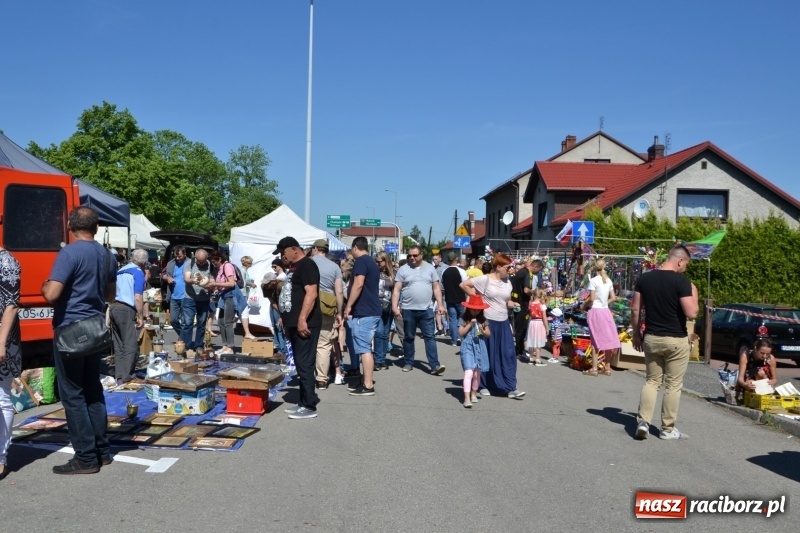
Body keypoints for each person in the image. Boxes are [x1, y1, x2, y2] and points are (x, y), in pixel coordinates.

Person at [42, 206, 116, 474]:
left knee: (73, 396)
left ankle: (85, 457)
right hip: (94, 329)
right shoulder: (108, 255)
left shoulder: (70, 252)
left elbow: (51, 294)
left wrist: (44, 285)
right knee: (93, 391)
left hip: (71, 330)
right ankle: (102, 451)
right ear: (96, 228)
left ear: (71, 228)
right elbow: (110, 295)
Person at [631, 244, 698, 440]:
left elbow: (636, 310)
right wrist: (693, 293)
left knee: (652, 381)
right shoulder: (682, 282)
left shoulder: (645, 278)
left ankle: (643, 422)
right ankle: (667, 429)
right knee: (673, 385)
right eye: (685, 264)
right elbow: (691, 313)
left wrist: (636, 334)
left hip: (651, 337)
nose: (685, 268)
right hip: (676, 339)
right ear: (679, 260)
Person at [460, 253, 525, 399]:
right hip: (488, 320)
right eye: (508, 267)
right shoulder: (485, 279)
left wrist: (512, 304)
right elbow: (464, 285)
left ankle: (510, 387)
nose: (510, 270)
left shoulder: (508, 282)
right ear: (498, 267)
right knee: (486, 353)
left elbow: (506, 301)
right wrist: (477, 299)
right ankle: (483, 385)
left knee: (508, 354)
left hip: (503, 321)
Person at [275, 236, 321, 419]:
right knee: (300, 364)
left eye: (283, 251)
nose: (282, 255)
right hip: (293, 324)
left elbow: (312, 293)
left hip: (306, 324)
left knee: (304, 364)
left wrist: (302, 319)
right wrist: (287, 322)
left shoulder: (307, 265)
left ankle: (310, 406)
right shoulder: (293, 268)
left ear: (294, 249)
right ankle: (302, 401)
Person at [392, 246, 446, 375]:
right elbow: (397, 290)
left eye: (415, 255)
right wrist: (395, 307)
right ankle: (409, 362)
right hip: (408, 309)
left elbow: (436, 288)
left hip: (426, 309)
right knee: (409, 337)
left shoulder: (430, 268)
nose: (412, 258)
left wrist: (440, 305)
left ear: (421, 255)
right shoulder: (403, 270)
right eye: (410, 255)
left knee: (430, 337)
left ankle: (434, 365)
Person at [343, 237, 382, 396]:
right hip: (370, 310)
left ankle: (367, 385)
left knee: (364, 348)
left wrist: (349, 305)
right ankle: (365, 380)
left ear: (355, 247)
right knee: (365, 347)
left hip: (365, 311)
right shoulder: (371, 262)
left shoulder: (361, 261)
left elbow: (358, 284)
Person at [310, 239, 344, 389]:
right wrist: (339, 312)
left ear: (315, 248)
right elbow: (339, 291)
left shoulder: (307, 263)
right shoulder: (334, 267)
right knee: (323, 343)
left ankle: (307, 374)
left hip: (308, 304)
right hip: (327, 307)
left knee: (306, 341)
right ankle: (322, 379)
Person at [110, 248, 148, 383]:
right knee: (130, 344)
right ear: (144, 262)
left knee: (119, 344)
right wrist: (140, 316)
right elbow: (138, 297)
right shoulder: (138, 273)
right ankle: (128, 376)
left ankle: (120, 374)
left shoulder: (121, 270)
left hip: (114, 306)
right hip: (125, 308)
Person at [0, 247, 21, 480]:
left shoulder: (6, 262)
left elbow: (11, 304)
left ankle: (0, 458)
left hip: (1, 337)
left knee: (1, 397)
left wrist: (1, 342)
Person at [583, 258, 621, 376]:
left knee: (595, 339)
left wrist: (584, 305)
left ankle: (594, 368)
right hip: (605, 311)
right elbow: (614, 298)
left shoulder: (593, 281)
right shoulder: (608, 280)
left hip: (595, 311)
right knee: (608, 339)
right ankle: (607, 367)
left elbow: (592, 298)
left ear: (594, 268)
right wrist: (605, 302)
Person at [458, 294, 490, 408]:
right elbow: (461, 333)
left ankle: (474, 394)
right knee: (469, 372)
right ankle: (466, 399)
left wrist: (482, 329)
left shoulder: (483, 320)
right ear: (469, 308)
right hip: (467, 347)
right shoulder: (463, 318)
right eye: (473, 309)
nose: (475, 311)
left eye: (478, 310)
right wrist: (470, 324)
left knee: (477, 373)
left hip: (479, 347)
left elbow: (488, 334)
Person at [206, 250, 237, 356]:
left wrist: (215, 283)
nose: (214, 264)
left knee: (228, 321)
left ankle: (230, 347)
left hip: (230, 296)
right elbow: (222, 283)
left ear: (219, 259)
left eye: (214, 262)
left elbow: (232, 283)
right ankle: (224, 345)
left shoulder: (227, 266)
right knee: (220, 321)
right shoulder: (219, 268)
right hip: (222, 296)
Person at [182, 249, 213, 352]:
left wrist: (211, 286)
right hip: (190, 298)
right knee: (188, 322)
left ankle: (198, 345)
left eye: (203, 261)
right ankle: (186, 346)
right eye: (199, 261)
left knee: (201, 323)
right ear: (196, 258)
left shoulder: (209, 264)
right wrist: (192, 281)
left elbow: (212, 279)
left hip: (204, 298)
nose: (201, 263)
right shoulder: (189, 263)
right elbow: (186, 278)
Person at [512, 258, 543, 356]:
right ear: (535, 267)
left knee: (518, 326)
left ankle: (518, 349)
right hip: (522, 303)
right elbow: (526, 290)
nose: (538, 272)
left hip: (515, 301)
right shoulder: (528, 274)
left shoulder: (520, 271)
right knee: (522, 328)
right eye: (539, 270)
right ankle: (519, 351)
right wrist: (535, 294)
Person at [441, 251, 468, 347]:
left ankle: (453, 341)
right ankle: (461, 337)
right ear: (456, 259)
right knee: (461, 318)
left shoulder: (444, 271)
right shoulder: (461, 271)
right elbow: (465, 285)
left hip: (449, 298)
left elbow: (443, 284)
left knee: (452, 319)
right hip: (460, 298)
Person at [374, 251, 394, 371]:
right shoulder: (375, 273)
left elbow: (396, 291)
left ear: (386, 261)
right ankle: (378, 360)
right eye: (376, 261)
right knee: (379, 332)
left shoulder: (393, 274)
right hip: (376, 305)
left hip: (389, 307)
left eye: (379, 261)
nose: (377, 264)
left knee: (386, 334)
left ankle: (382, 359)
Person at [160, 245, 188, 336]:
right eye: (175, 256)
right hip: (174, 296)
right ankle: (183, 336)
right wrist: (167, 278)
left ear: (184, 254)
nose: (177, 258)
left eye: (179, 256)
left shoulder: (190, 263)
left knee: (185, 321)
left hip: (186, 296)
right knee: (173, 320)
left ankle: (184, 340)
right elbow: (162, 275)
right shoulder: (171, 263)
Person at [525, 288, 549, 367]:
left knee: (532, 341)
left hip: (532, 322)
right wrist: (547, 328)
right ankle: (538, 359)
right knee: (539, 341)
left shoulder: (531, 304)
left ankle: (531, 358)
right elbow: (544, 318)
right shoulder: (542, 305)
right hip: (539, 323)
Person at [240, 255, 258, 340]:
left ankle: (247, 332)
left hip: (244, 293)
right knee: (245, 312)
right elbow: (243, 282)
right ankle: (247, 333)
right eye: (250, 262)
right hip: (242, 293)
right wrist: (251, 284)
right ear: (248, 263)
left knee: (241, 313)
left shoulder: (244, 271)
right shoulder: (243, 271)